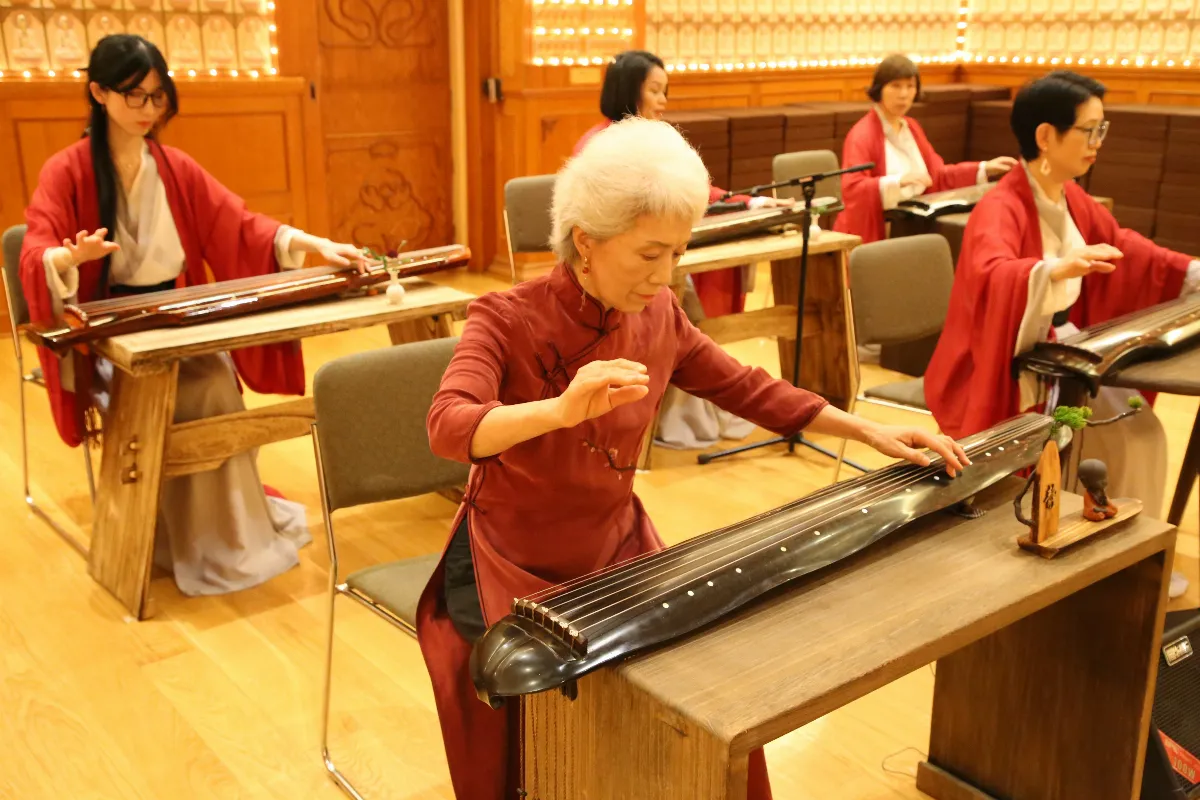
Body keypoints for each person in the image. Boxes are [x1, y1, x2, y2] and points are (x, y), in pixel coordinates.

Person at [418, 116, 971, 800]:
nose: (665, 275)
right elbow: (447, 427)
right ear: (585, 241)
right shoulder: (503, 318)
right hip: (511, 564)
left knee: (701, 706)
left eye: (677, 253)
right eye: (649, 254)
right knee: (537, 751)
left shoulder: (658, 315)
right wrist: (559, 411)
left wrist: (868, 431)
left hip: (616, 548)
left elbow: (746, 387)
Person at [20, 34, 367, 595]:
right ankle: (168, 536)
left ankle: (228, 537)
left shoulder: (174, 167)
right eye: (135, 96)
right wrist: (69, 257)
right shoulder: (67, 171)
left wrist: (313, 244)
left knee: (212, 386)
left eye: (157, 98)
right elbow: (35, 247)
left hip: (175, 318)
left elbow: (240, 225)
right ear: (98, 93)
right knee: (184, 395)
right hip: (112, 332)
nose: (148, 110)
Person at [923, 70, 1200, 598]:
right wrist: (1050, 271)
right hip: (1010, 364)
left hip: (1061, 351)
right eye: (1089, 131)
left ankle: (1120, 553)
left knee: (1137, 431)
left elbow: (1126, 248)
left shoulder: (1068, 197)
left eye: (1102, 130)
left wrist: (1189, 272)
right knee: (1133, 435)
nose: (1097, 143)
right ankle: (1099, 555)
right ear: (1047, 136)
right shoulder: (999, 207)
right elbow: (991, 274)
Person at [574, 49, 790, 449]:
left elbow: (695, 191)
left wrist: (753, 203)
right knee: (681, 319)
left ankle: (679, 415)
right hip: (611, 274)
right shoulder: (600, 145)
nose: (663, 101)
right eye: (654, 91)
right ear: (629, 91)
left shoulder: (655, 141)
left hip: (648, 265)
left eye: (665, 91)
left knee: (685, 323)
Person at [835, 54, 1017, 245]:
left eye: (910, 86)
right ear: (879, 89)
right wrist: (897, 181)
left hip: (914, 223)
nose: (904, 94)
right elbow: (852, 189)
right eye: (896, 86)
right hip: (880, 231)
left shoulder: (912, 127)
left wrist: (984, 168)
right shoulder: (862, 134)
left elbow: (938, 176)